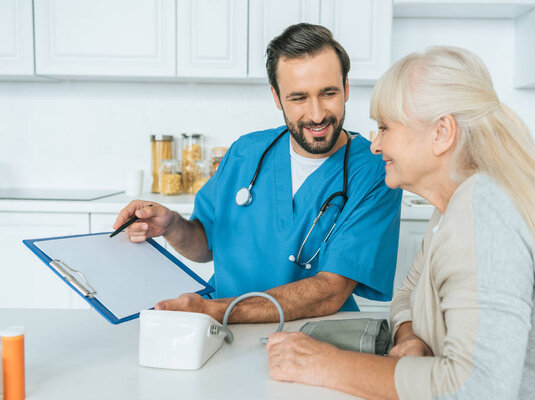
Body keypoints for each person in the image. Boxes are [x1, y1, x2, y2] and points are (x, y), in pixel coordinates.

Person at [266, 46, 535, 399]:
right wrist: (409, 337)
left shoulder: (488, 209)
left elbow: (475, 389)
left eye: (384, 127)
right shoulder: (455, 204)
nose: (375, 145)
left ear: (442, 132)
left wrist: (321, 363)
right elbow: (406, 294)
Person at [113, 23, 402, 323]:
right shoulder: (245, 152)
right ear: (276, 97)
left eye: (328, 93)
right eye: (298, 98)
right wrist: (172, 225)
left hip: (314, 338)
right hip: (221, 332)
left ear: (346, 87)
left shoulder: (375, 170)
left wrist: (213, 310)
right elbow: (205, 244)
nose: (317, 114)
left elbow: (332, 290)